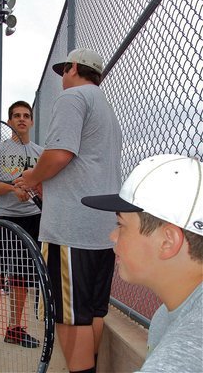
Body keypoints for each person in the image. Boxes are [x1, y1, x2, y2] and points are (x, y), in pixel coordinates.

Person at [16, 49, 122, 373]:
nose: (63, 78)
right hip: (103, 229)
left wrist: (32, 177)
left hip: (71, 230)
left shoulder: (72, 98)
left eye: (64, 71)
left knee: (69, 316)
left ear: (74, 68)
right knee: (93, 313)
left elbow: (60, 154)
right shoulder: (108, 111)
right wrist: (44, 184)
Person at [81, 154, 203, 373]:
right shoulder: (166, 315)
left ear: (167, 241)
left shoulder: (190, 347)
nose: (112, 236)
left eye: (121, 225)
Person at [0, 100, 43, 358]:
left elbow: (45, 185)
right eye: (16, 116)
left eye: (26, 115)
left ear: (32, 121)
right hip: (3, 219)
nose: (22, 119)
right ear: (10, 121)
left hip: (32, 221)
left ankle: (14, 329)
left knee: (21, 280)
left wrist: (34, 189)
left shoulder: (41, 152)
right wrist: (13, 188)